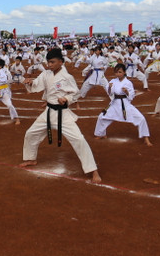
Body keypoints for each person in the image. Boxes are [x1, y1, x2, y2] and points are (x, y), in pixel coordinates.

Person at [20, 48, 101, 183]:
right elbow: (37, 85)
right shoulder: (46, 74)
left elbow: (76, 93)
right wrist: (30, 82)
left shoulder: (67, 77)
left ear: (61, 62)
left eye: (52, 62)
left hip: (62, 114)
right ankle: (31, 158)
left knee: (79, 139)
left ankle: (93, 170)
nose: (49, 65)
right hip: (48, 112)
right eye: (48, 62)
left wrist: (66, 99)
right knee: (31, 133)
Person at [94, 64, 152, 146]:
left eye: (120, 72)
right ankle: (101, 134)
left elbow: (131, 96)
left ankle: (146, 138)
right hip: (114, 103)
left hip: (125, 104)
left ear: (124, 72)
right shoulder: (113, 81)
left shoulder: (128, 83)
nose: (118, 74)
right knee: (101, 116)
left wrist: (127, 92)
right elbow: (109, 92)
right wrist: (110, 87)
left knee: (141, 118)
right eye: (116, 72)